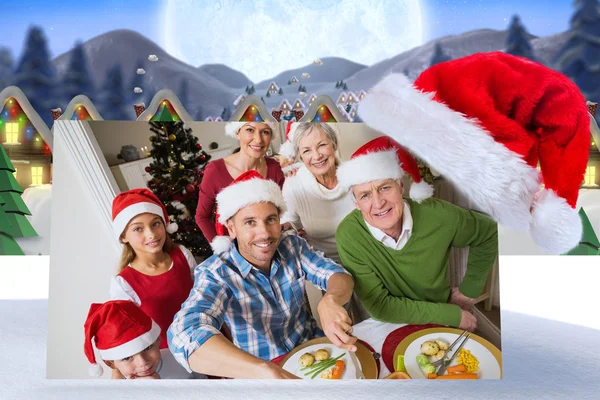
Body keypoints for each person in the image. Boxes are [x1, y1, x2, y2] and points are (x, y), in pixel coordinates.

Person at [168, 171, 356, 379]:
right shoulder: (216, 273)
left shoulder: (292, 246)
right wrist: (265, 370)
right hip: (260, 370)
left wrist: (330, 300)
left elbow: (338, 275)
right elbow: (183, 334)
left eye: (270, 220)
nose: (265, 233)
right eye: (250, 222)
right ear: (232, 228)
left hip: (316, 351)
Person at [335, 137, 499, 332]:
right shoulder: (349, 235)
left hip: (439, 315)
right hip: (389, 323)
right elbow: (381, 306)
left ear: (401, 187)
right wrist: (452, 315)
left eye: (385, 187)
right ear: (356, 203)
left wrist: (470, 288)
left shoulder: (438, 214)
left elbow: (488, 232)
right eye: (365, 195)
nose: (378, 203)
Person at [108, 188, 198, 379]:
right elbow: (123, 335)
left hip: (204, 341)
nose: (151, 234)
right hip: (167, 359)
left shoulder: (182, 255)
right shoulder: (123, 283)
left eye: (155, 224)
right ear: (123, 236)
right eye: (138, 228)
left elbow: (203, 294)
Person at [195, 121, 285, 244]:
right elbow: (202, 217)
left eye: (265, 132)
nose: (258, 140)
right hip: (234, 248)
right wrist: (222, 247)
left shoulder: (274, 168)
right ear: (238, 133)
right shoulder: (215, 170)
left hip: (266, 243)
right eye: (250, 130)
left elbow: (277, 211)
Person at [84, 300, 188, 379]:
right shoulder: (116, 392)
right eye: (127, 358)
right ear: (110, 364)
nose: (142, 362)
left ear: (157, 340)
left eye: (148, 348)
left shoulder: (182, 360)